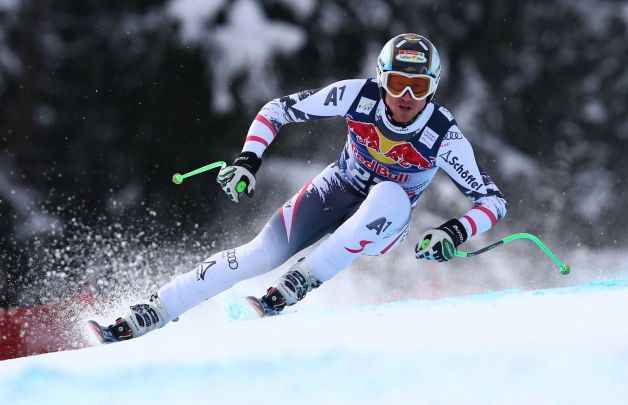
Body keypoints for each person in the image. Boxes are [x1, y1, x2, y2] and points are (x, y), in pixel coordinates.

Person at [92, 33, 507, 342]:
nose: (404, 97)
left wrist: (453, 231)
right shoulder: (356, 96)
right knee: (261, 254)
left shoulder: (442, 135)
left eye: (418, 88)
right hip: (337, 189)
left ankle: (303, 279)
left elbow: (491, 201)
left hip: (385, 218)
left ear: (432, 89)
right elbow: (276, 111)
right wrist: (248, 160)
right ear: (381, 78)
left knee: (388, 194)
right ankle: (155, 308)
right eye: (397, 82)